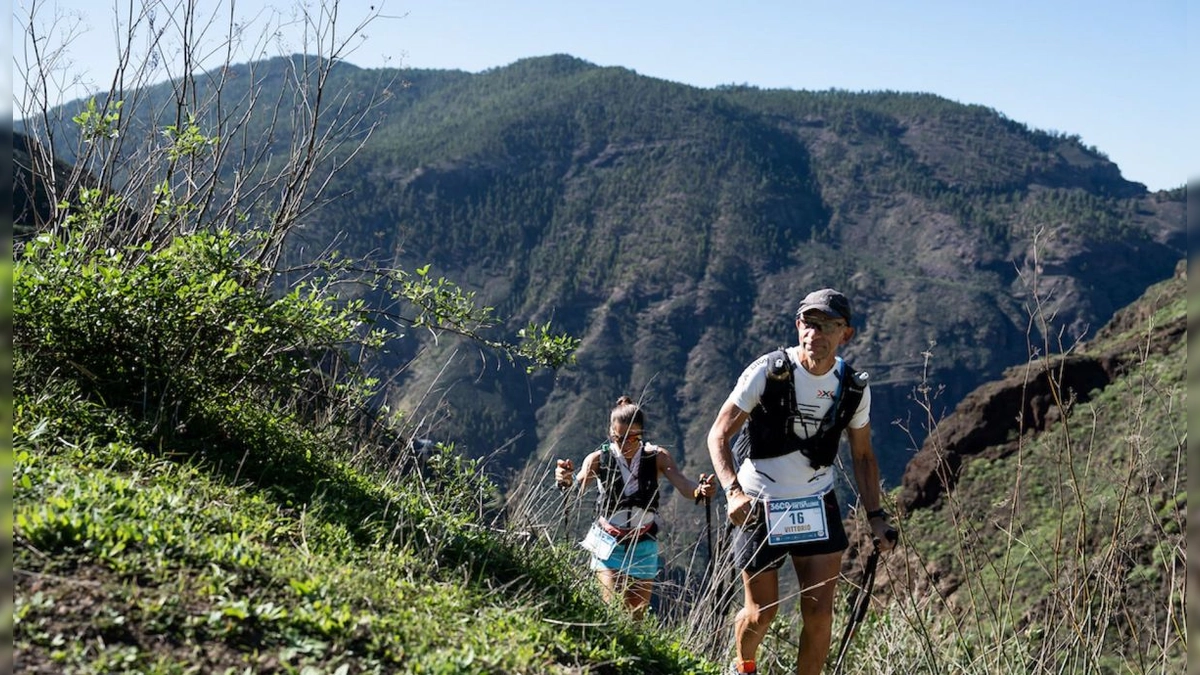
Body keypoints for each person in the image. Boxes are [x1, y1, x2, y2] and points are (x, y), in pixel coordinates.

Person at [706, 288, 896, 675]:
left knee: (819, 612)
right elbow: (719, 434)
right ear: (798, 327)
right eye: (809, 323)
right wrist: (732, 493)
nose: (816, 333)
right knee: (762, 611)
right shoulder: (768, 371)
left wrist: (875, 516)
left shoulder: (853, 387)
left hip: (816, 501)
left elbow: (863, 455)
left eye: (828, 325)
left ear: (847, 334)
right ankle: (743, 669)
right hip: (758, 502)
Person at [556, 395, 716, 620]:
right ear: (611, 434)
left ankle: (631, 656)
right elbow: (576, 489)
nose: (625, 444)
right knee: (613, 610)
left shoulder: (656, 457)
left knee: (636, 617)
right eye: (619, 438)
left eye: (632, 438)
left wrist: (701, 490)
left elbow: (684, 485)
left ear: (641, 435)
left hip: (643, 545)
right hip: (608, 546)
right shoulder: (598, 459)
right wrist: (564, 479)